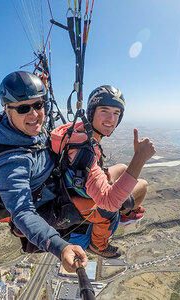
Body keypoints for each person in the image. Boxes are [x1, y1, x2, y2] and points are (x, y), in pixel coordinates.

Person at [0, 70, 87, 272]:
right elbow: (23, 212)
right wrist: (60, 248)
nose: (34, 114)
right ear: (7, 110)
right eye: (23, 108)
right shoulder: (10, 162)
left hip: (54, 188)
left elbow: (43, 113)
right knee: (96, 204)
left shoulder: (27, 130)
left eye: (38, 105)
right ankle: (98, 242)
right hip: (46, 208)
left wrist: (43, 87)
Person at [51, 85, 156, 258]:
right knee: (142, 186)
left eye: (116, 113)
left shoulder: (79, 130)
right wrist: (140, 157)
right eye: (104, 111)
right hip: (73, 201)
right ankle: (99, 244)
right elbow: (108, 201)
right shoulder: (84, 151)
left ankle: (124, 211)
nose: (111, 119)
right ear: (92, 113)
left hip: (70, 185)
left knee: (122, 168)